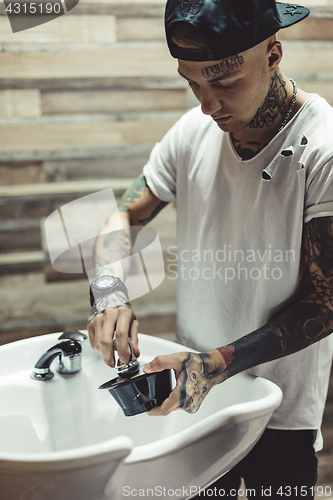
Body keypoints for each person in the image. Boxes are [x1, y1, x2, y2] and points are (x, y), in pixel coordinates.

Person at [87, 0, 333, 497]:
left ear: (273, 55)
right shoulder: (192, 132)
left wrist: (216, 363)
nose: (206, 104)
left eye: (223, 83)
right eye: (192, 82)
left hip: (278, 410)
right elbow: (125, 214)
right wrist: (110, 290)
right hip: (192, 396)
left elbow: (326, 303)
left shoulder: (321, 150)